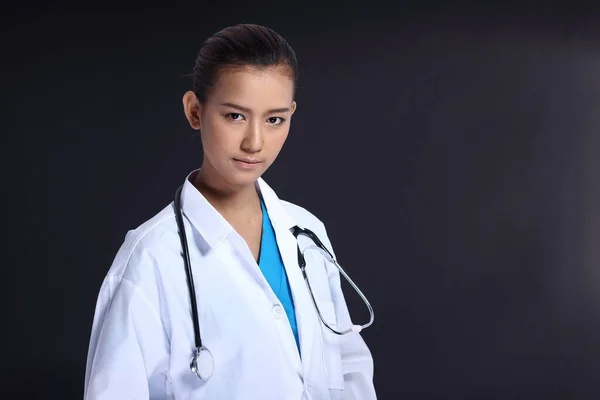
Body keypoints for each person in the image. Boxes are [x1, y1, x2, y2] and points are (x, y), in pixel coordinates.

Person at [83, 23, 376, 400]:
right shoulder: (150, 259)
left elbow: (347, 367)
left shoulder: (306, 231)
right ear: (194, 110)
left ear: (291, 114)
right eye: (235, 116)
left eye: (274, 119)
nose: (255, 142)